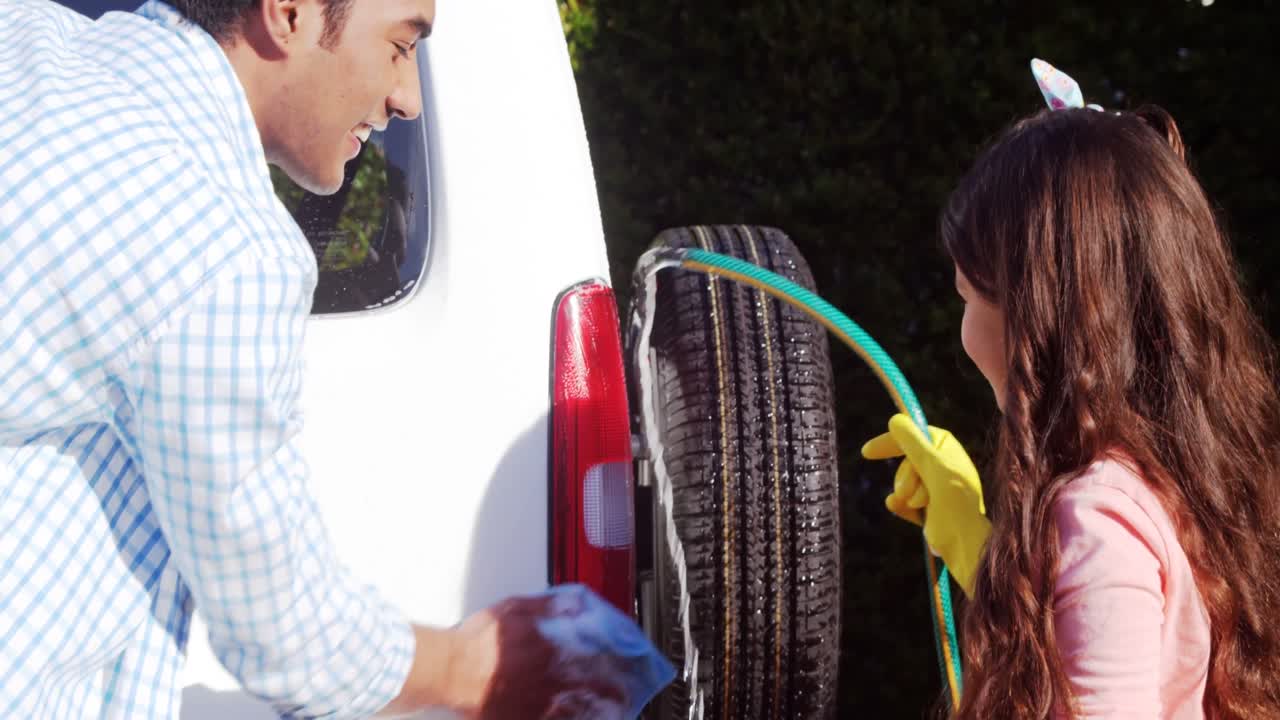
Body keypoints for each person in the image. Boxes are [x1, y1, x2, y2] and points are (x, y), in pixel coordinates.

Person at [0, 1, 669, 718]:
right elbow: (281, 628)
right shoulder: (222, 249)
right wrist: (471, 667)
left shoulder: (25, 36)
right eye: (399, 44)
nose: (406, 97)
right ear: (287, 11)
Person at [862, 59, 1280, 719]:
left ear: (1039, 318)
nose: (964, 329)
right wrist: (981, 548)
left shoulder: (1095, 518)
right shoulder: (1177, 483)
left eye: (969, 296)